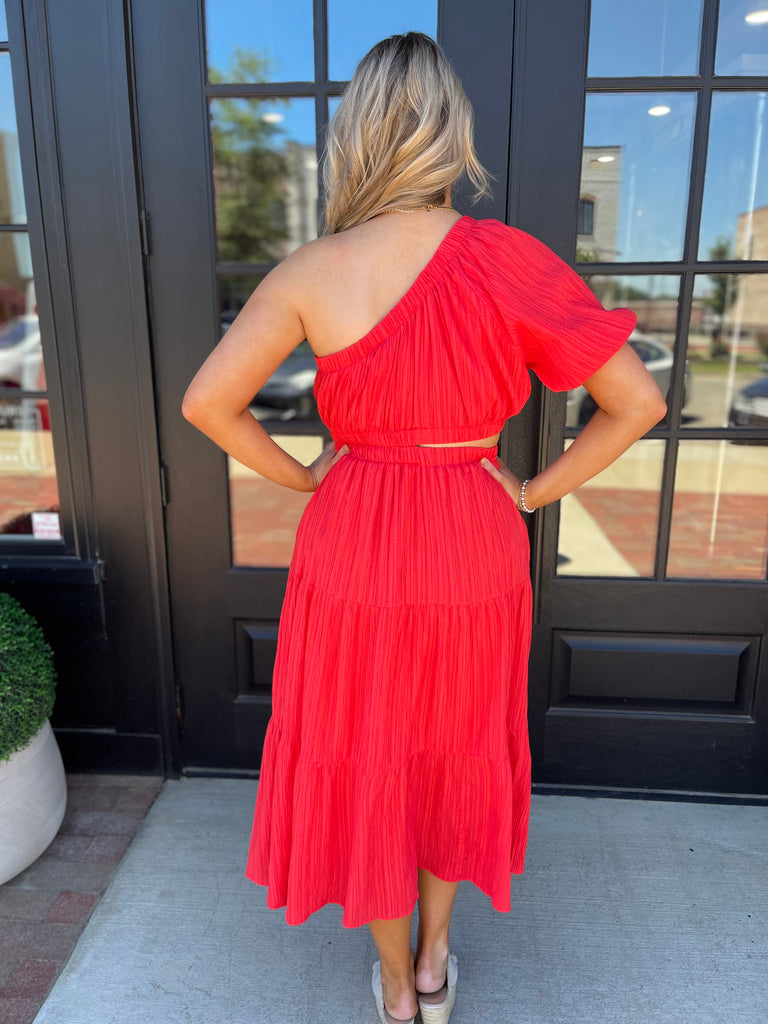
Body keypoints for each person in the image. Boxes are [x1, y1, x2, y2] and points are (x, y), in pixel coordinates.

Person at [182, 31, 667, 1024]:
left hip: (353, 532)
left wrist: (306, 474)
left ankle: (397, 989)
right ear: (453, 135)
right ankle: (438, 960)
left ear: (356, 136)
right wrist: (530, 492)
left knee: (367, 748)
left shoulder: (313, 269)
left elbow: (207, 403)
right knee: (455, 744)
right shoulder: (509, 260)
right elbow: (639, 403)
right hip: (470, 529)